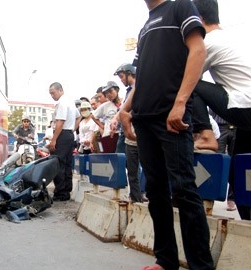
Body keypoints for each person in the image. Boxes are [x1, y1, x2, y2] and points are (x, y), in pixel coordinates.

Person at [119, 1, 214, 269]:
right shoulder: (145, 27)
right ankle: (165, 260)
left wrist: (181, 102)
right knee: (155, 192)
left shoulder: (181, 7)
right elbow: (143, 78)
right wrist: (125, 110)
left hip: (171, 116)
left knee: (183, 189)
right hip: (144, 118)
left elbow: (198, 50)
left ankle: (201, 266)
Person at [192, 0, 251, 220]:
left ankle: (206, 135)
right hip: (246, 114)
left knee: (190, 83)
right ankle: (246, 222)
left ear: (198, 20)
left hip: (245, 106)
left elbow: (188, 79)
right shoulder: (234, 38)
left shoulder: (208, 42)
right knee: (241, 169)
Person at [111, 63, 143, 202]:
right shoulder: (129, 91)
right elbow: (124, 109)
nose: (121, 80)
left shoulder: (139, 87)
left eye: (122, 76)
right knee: (132, 169)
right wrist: (116, 120)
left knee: (144, 168)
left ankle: (144, 194)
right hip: (129, 134)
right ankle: (136, 198)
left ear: (130, 73)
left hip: (141, 132)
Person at [47, 82, 81, 201]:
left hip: (62, 134)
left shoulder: (62, 103)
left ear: (60, 90)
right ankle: (66, 191)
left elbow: (60, 122)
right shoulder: (70, 102)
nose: (52, 96)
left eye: (53, 93)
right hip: (69, 135)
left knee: (58, 164)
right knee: (66, 164)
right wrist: (73, 129)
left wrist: (54, 140)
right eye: (50, 94)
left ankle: (60, 192)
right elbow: (79, 117)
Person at [92, 81, 121, 153]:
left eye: (110, 91)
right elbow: (93, 116)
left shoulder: (125, 103)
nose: (109, 94)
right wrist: (102, 126)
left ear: (116, 90)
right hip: (109, 136)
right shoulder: (106, 105)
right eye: (106, 93)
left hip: (121, 134)